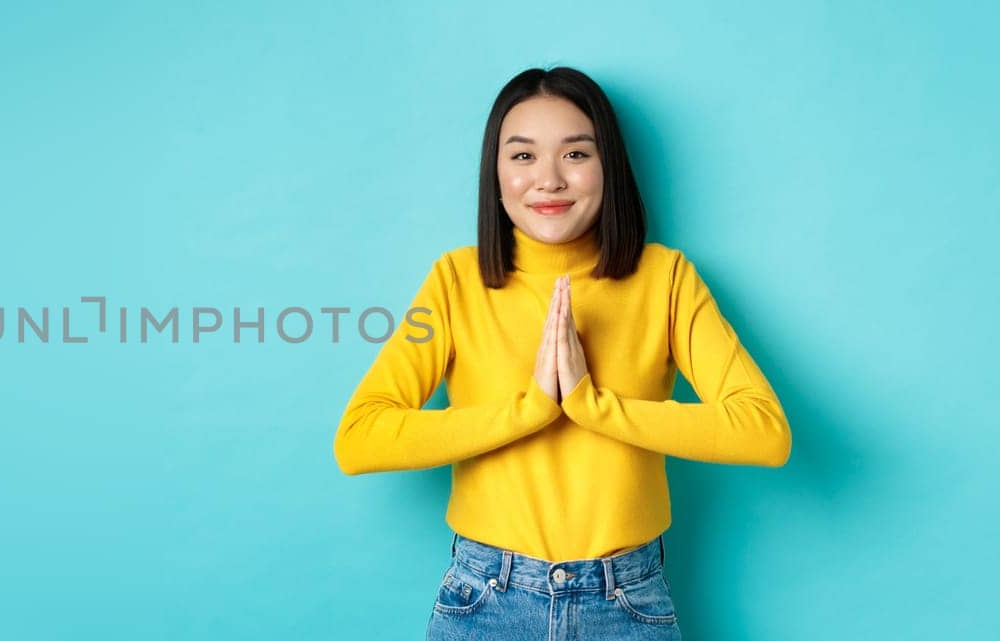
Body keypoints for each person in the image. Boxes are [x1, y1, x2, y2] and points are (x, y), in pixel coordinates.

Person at [332, 67, 792, 639]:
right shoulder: (455, 282)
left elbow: (763, 432)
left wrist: (593, 405)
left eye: (575, 154)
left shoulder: (665, 280)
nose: (548, 180)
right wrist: (527, 411)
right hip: (485, 598)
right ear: (495, 174)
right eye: (522, 157)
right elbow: (359, 439)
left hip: (627, 602)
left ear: (609, 169)